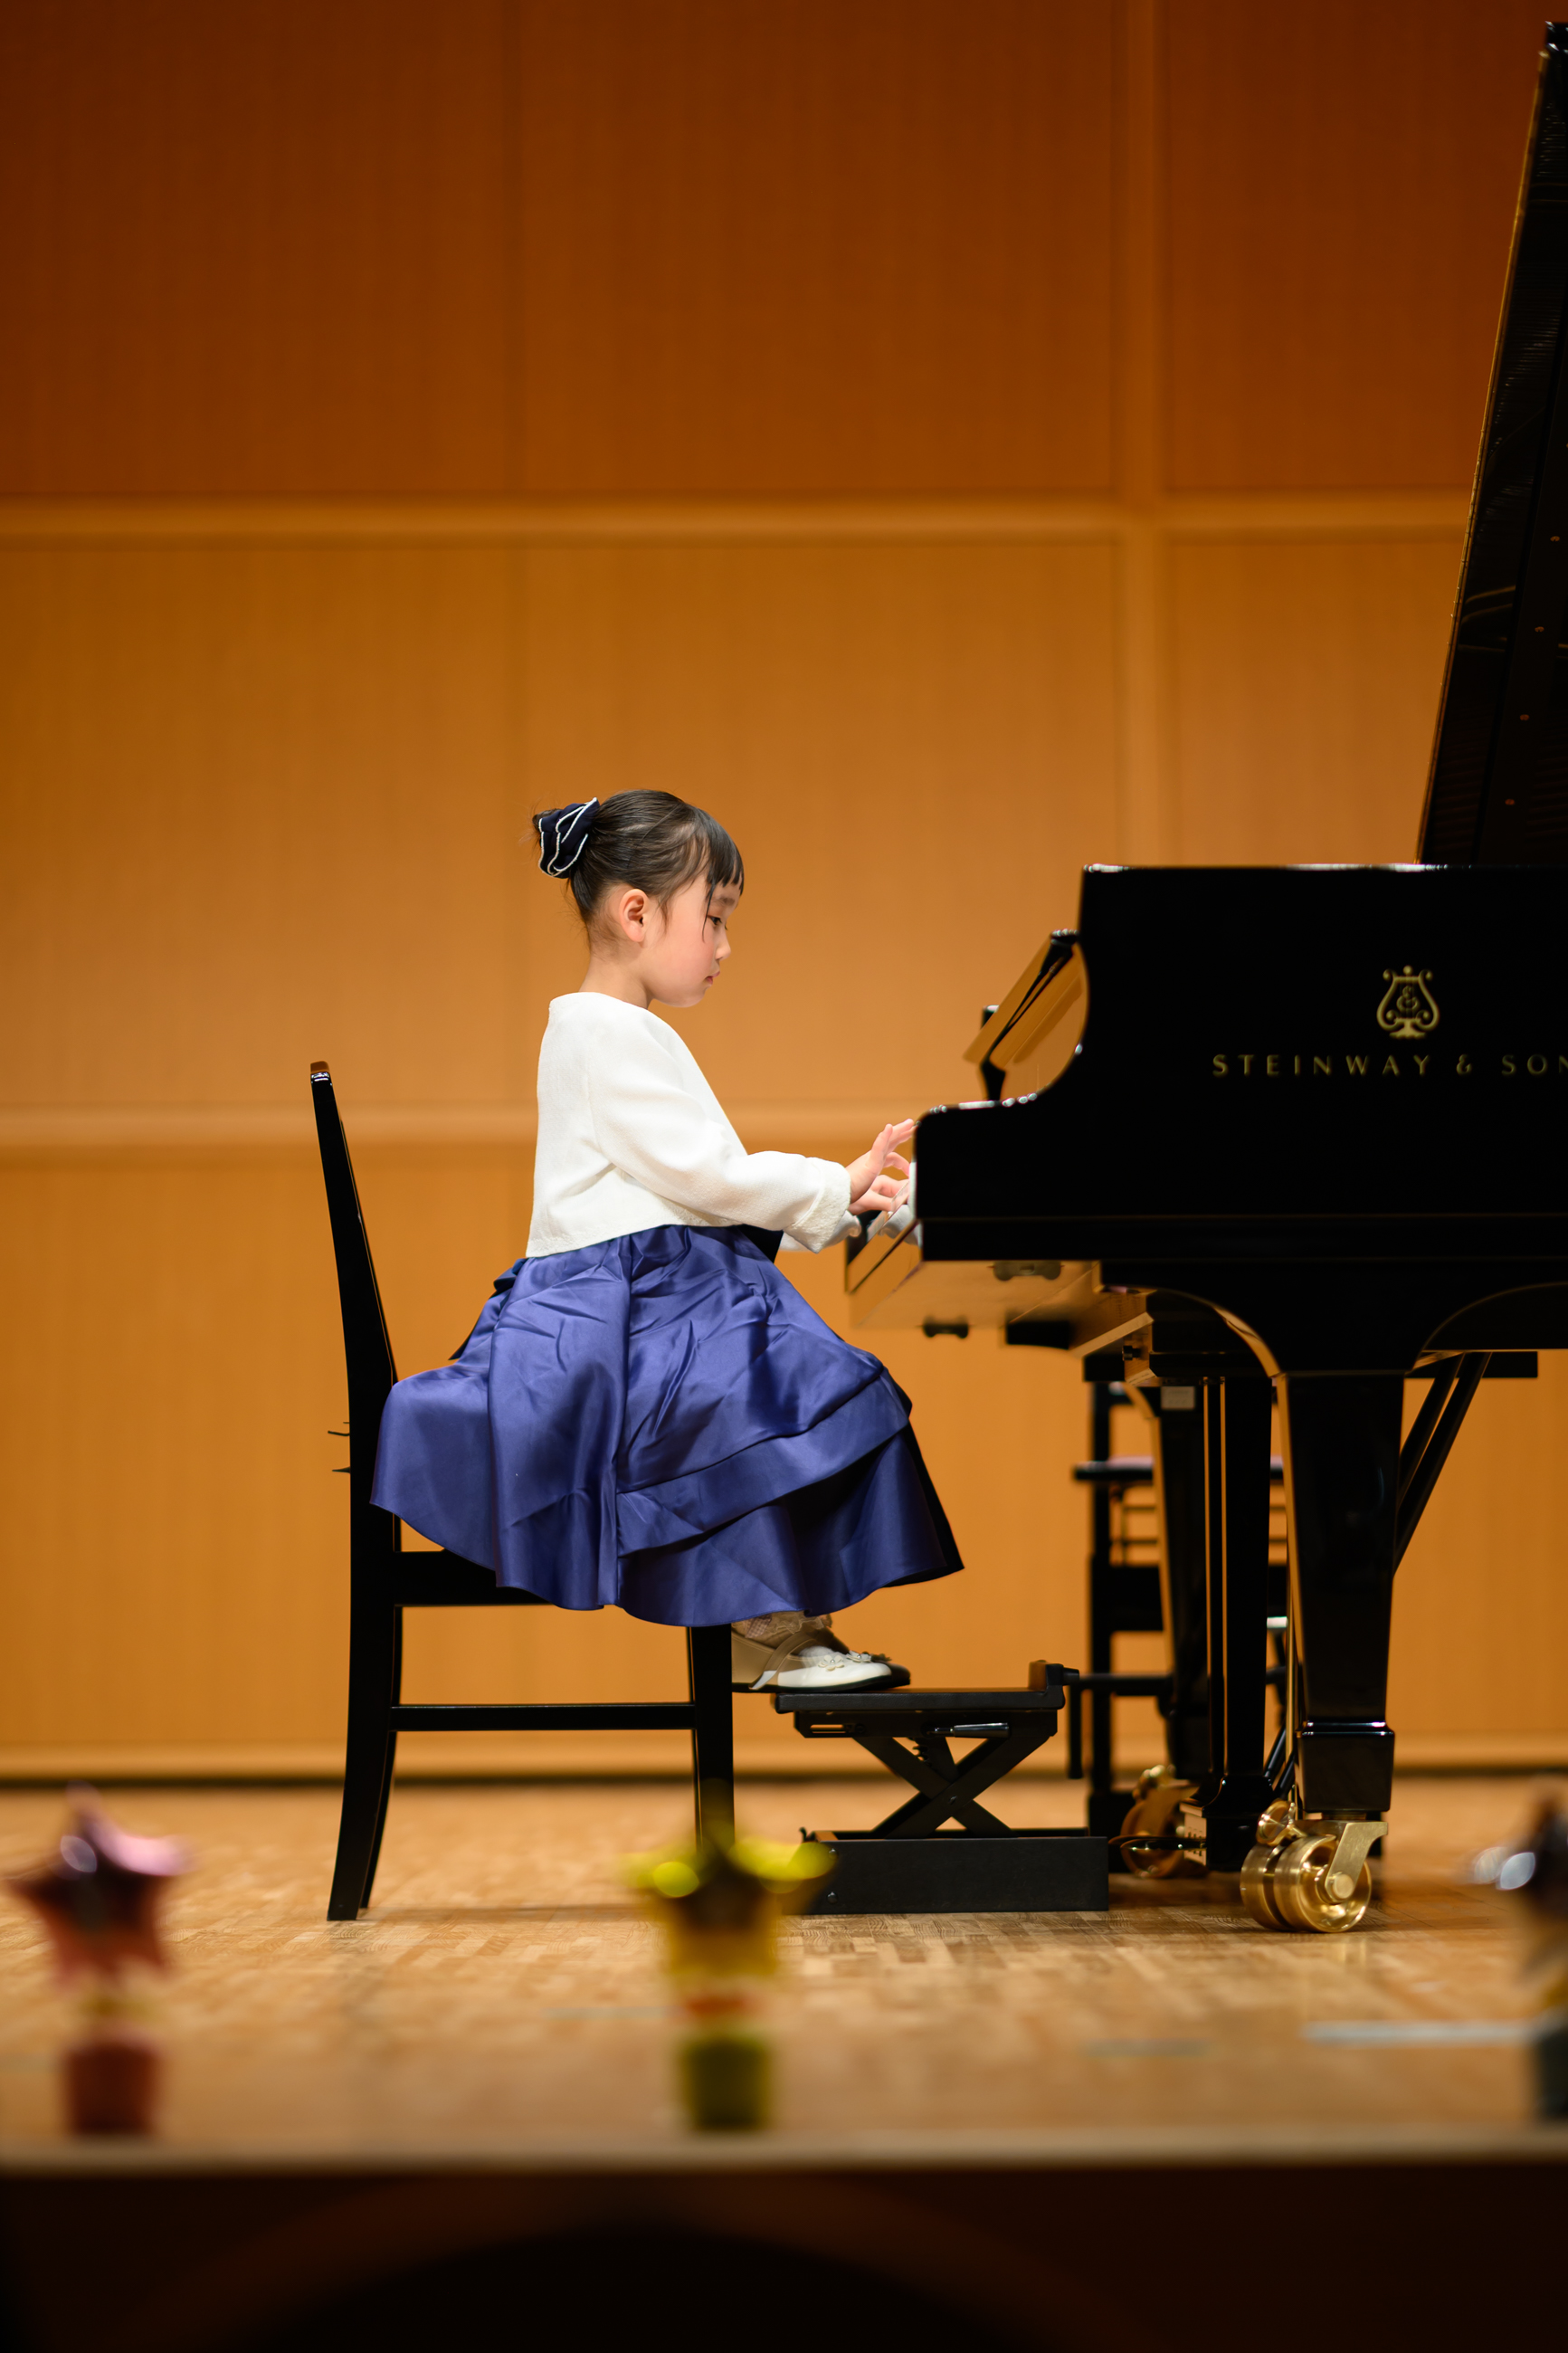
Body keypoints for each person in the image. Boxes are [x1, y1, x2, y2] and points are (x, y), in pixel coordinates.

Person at [371, 789, 963, 1691]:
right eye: (714, 918)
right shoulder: (598, 1031)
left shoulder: (611, 1028)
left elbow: (699, 1183)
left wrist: (839, 1198)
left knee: (783, 1374)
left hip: (647, 1288)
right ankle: (763, 1624)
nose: (724, 946)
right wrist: (832, 1184)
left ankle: (775, 1620)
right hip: (603, 1310)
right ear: (637, 911)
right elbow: (704, 1175)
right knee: (770, 1380)